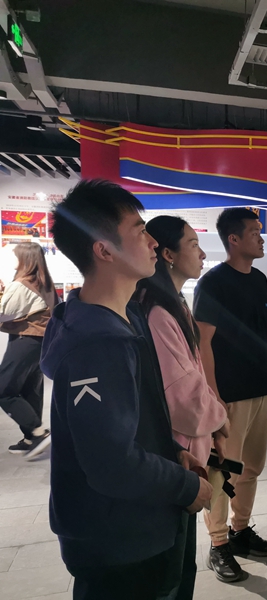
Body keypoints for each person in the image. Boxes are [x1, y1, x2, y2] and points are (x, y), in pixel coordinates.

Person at [40, 179, 213, 600]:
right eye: (139, 231)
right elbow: (110, 463)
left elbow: (131, 425)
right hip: (120, 541)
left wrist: (172, 454)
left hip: (142, 524)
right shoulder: (97, 342)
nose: (153, 242)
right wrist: (187, 487)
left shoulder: (123, 317)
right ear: (104, 250)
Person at [136, 215, 230, 599]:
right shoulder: (158, 312)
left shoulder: (173, 304)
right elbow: (183, 398)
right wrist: (219, 417)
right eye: (193, 244)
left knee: (181, 566)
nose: (203, 253)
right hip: (174, 458)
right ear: (168, 254)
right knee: (171, 575)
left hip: (185, 455)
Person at [193, 208, 267, 583]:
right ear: (233, 239)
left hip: (259, 389)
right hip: (229, 394)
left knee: (251, 468)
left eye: (260, 231)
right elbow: (203, 343)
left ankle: (241, 530)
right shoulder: (213, 283)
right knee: (222, 472)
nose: (260, 238)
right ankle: (218, 544)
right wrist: (213, 397)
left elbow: (266, 330)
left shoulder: (258, 279)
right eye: (254, 232)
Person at [0, 242, 58, 458]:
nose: (11, 259)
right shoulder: (45, 284)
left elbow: (4, 313)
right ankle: (30, 438)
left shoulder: (21, 285)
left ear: (25, 259)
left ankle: (37, 432)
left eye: (14, 255)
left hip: (25, 340)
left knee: (3, 389)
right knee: (30, 388)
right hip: (42, 342)